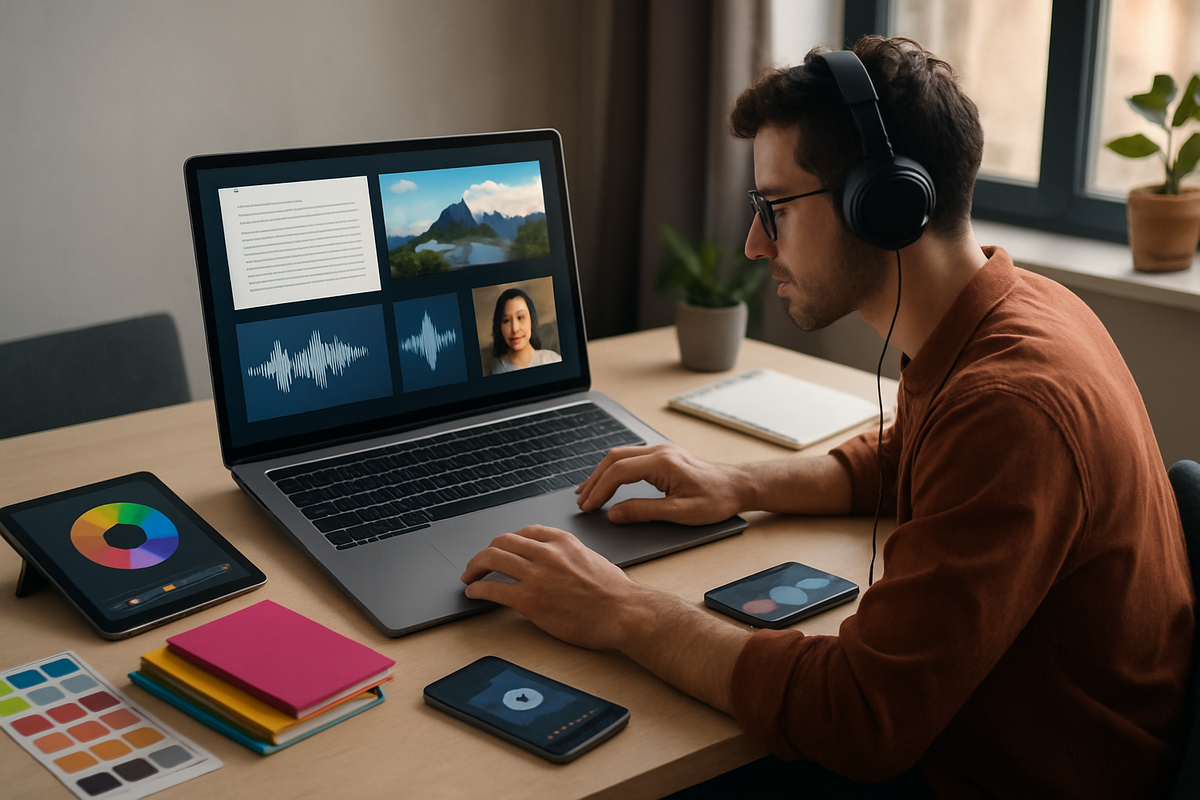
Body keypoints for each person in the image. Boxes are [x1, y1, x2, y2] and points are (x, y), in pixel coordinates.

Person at [461, 36, 1195, 798]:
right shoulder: (1015, 310)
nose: (754, 243)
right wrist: (736, 482)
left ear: (882, 205)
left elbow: (858, 716)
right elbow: (903, 457)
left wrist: (621, 609)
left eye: (775, 208)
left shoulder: (1008, 407)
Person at [489, 287, 561, 373]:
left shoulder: (553, 360)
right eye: (506, 320)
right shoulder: (496, 369)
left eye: (520, 317)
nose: (515, 329)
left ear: (531, 320)